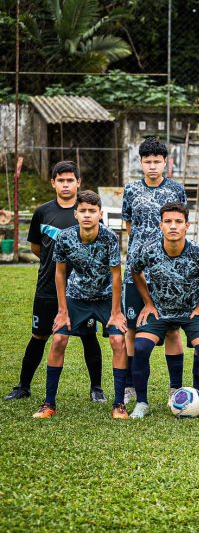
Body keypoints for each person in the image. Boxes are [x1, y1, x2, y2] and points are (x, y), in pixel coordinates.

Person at [5, 161, 104, 402]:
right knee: (39, 336)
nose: (66, 184)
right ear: (53, 183)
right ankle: (23, 385)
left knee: (88, 337)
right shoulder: (42, 212)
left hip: (83, 291)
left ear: (78, 182)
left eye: (70, 180)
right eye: (61, 180)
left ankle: (96, 388)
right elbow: (37, 248)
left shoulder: (87, 211)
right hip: (48, 288)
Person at [32, 191, 128, 419]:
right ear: (76, 214)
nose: (87, 215)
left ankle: (119, 404)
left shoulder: (109, 238)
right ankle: (49, 403)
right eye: (83, 211)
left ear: (100, 214)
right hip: (76, 297)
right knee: (58, 338)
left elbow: (117, 276)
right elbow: (60, 272)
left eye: (92, 211)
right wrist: (62, 311)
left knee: (117, 339)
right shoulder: (65, 237)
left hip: (105, 298)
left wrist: (116, 313)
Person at [128, 202, 199, 420]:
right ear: (160, 225)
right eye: (168, 222)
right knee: (140, 347)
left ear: (187, 225)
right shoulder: (148, 250)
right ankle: (142, 403)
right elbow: (135, 270)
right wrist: (148, 302)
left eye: (178, 222)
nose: (173, 226)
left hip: (190, 312)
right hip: (159, 311)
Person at [121, 137, 187, 405]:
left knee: (171, 329)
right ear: (140, 163)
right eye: (147, 162)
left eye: (157, 162)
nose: (152, 166)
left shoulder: (176, 189)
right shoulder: (131, 190)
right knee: (132, 329)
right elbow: (128, 225)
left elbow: (179, 225)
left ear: (165, 163)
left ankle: (175, 388)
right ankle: (130, 386)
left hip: (169, 273)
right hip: (136, 273)